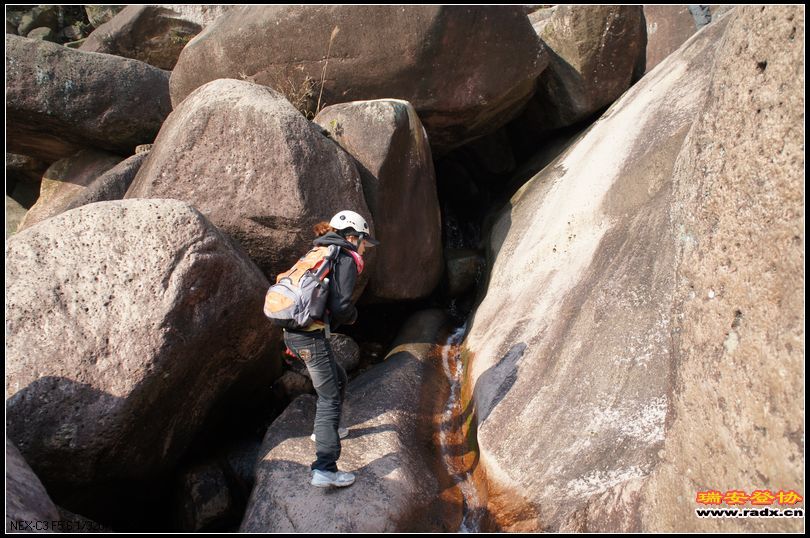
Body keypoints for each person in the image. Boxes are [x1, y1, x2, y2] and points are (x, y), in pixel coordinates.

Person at [282, 210, 379, 488]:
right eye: (363, 242)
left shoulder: (320, 251)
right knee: (330, 397)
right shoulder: (344, 257)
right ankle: (324, 468)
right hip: (309, 338)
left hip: (293, 334)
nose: (364, 248)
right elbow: (341, 306)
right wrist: (353, 317)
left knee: (338, 378)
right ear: (353, 236)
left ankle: (331, 429)